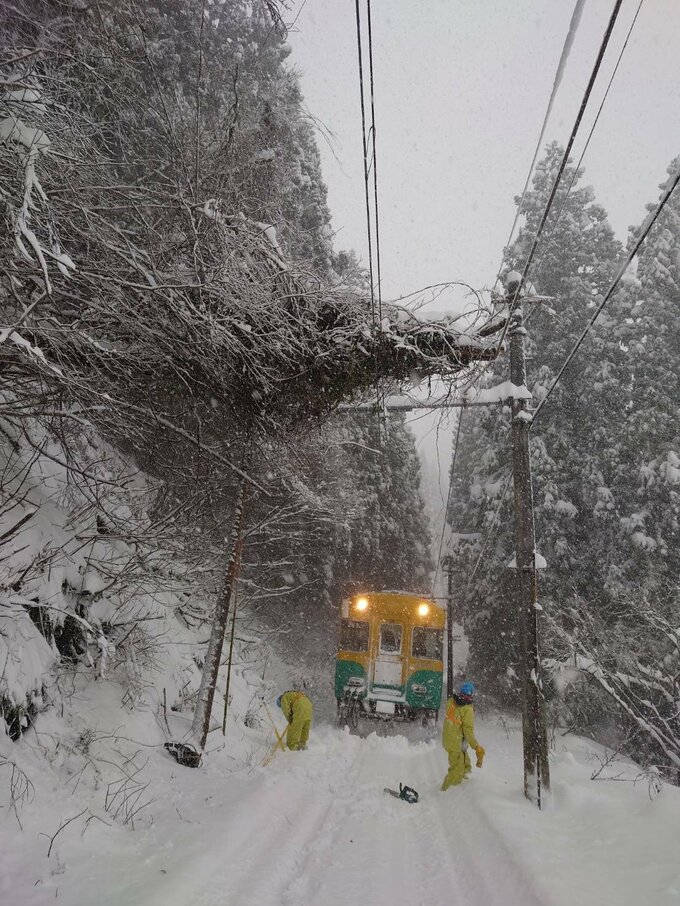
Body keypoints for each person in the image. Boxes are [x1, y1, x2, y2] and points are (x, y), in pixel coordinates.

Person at [441, 681, 485, 791]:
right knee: (457, 770)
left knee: (465, 763)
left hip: (449, 740)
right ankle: (447, 791)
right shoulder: (467, 709)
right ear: (471, 695)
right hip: (456, 743)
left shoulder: (451, 701)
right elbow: (468, 731)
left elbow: (454, 720)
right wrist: (476, 747)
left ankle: (466, 784)